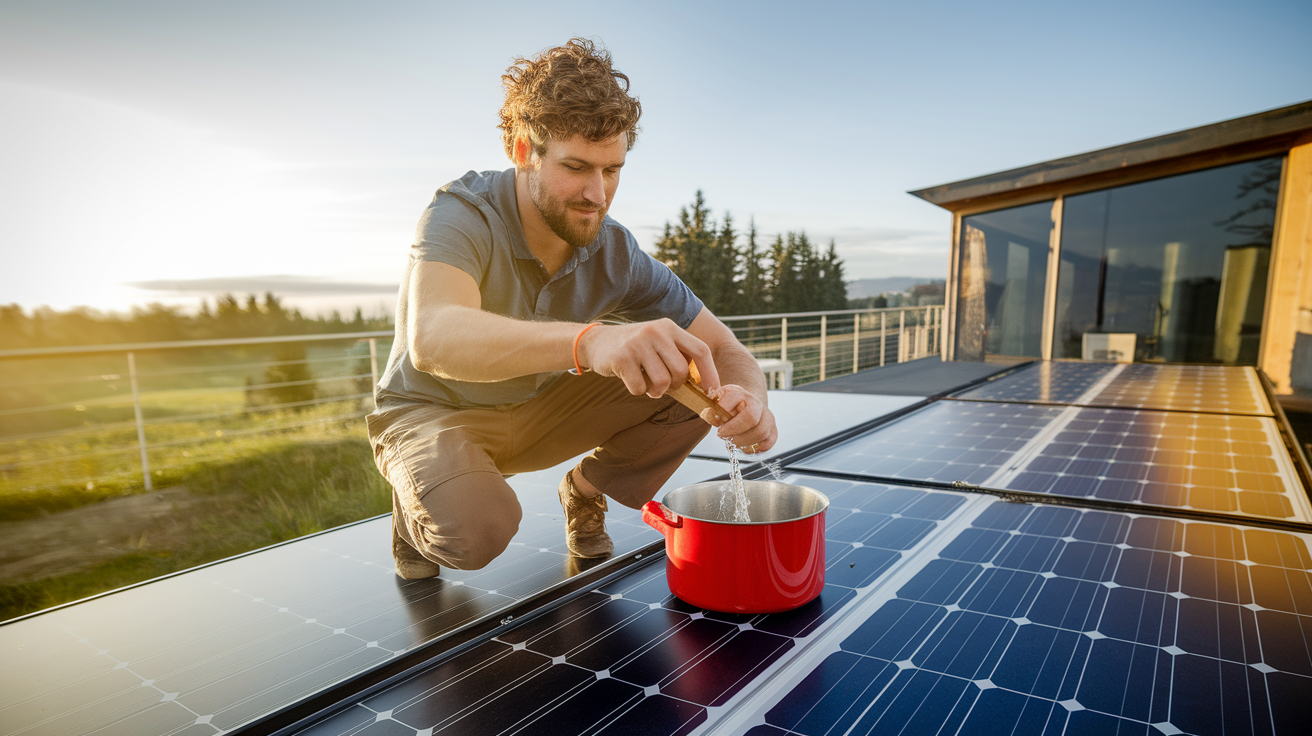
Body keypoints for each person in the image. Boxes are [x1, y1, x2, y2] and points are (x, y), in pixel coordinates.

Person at [367, 38, 777, 579]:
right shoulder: (462, 212)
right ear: (522, 150)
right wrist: (592, 341)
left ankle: (585, 490)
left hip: (539, 412)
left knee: (692, 378)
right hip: (434, 413)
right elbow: (435, 338)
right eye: (577, 167)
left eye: (612, 170)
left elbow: (724, 347)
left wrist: (748, 397)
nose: (597, 194)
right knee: (477, 531)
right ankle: (415, 512)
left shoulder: (616, 251)